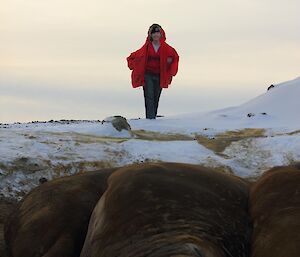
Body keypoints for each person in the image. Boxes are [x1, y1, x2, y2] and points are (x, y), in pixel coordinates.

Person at [127, 24, 179, 119]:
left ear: (161, 34)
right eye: (153, 33)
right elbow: (131, 57)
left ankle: (153, 117)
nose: (156, 35)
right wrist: (134, 65)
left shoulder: (168, 49)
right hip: (148, 75)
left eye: (158, 33)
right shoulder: (146, 48)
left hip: (160, 75)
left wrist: (170, 66)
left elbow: (175, 58)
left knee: (156, 96)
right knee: (149, 96)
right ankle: (150, 118)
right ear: (150, 35)